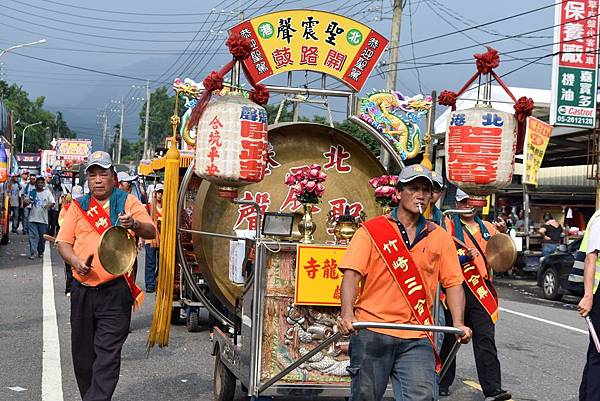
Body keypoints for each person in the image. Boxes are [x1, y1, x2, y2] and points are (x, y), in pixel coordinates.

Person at [337, 165, 472, 401]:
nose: (420, 195)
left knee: (422, 396)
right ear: (398, 193)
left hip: (417, 335)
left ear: (432, 197)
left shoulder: (439, 236)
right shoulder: (372, 230)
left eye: (425, 190)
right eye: (413, 188)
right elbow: (352, 274)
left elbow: (453, 283)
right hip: (372, 330)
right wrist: (347, 313)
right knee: (364, 396)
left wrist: (459, 322)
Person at [56, 151, 155, 401]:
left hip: (116, 291)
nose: (98, 180)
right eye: (93, 175)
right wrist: (76, 261)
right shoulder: (78, 207)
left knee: (107, 355)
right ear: (87, 179)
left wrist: (133, 224)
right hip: (83, 290)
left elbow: (151, 230)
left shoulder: (128, 202)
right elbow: (63, 243)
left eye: (103, 174)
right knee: (82, 356)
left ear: (113, 176)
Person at [439, 189, 510, 401]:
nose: (466, 207)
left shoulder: (488, 228)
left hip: (481, 291)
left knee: (485, 339)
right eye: (462, 202)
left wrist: (505, 233)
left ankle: (493, 389)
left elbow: (504, 256)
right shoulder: (447, 225)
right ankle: (442, 382)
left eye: (469, 202)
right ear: (456, 203)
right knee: (450, 338)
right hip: (455, 288)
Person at [578, 208, 600, 401]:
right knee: (599, 353)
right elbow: (590, 258)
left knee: (596, 350)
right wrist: (588, 296)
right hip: (598, 293)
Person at [25, 176, 55, 259]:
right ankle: (33, 253)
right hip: (32, 218)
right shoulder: (32, 192)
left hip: (43, 220)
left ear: (44, 184)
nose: (40, 184)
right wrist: (27, 201)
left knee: (42, 237)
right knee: (33, 236)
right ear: (36, 184)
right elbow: (26, 201)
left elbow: (52, 202)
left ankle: (40, 251)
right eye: (38, 183)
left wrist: (48, 205)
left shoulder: (47, 192)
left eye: (42, 183)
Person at [144, 183, 163, 293]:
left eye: (162, 192)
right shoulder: (149, 207)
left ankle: (158, 280)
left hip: (162, 238)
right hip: (150, 238)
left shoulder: (167, 207)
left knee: (161, 262)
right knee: (150, 262)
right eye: (158, 192)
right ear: (155, 194)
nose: (160, 195)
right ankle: (150, 284)